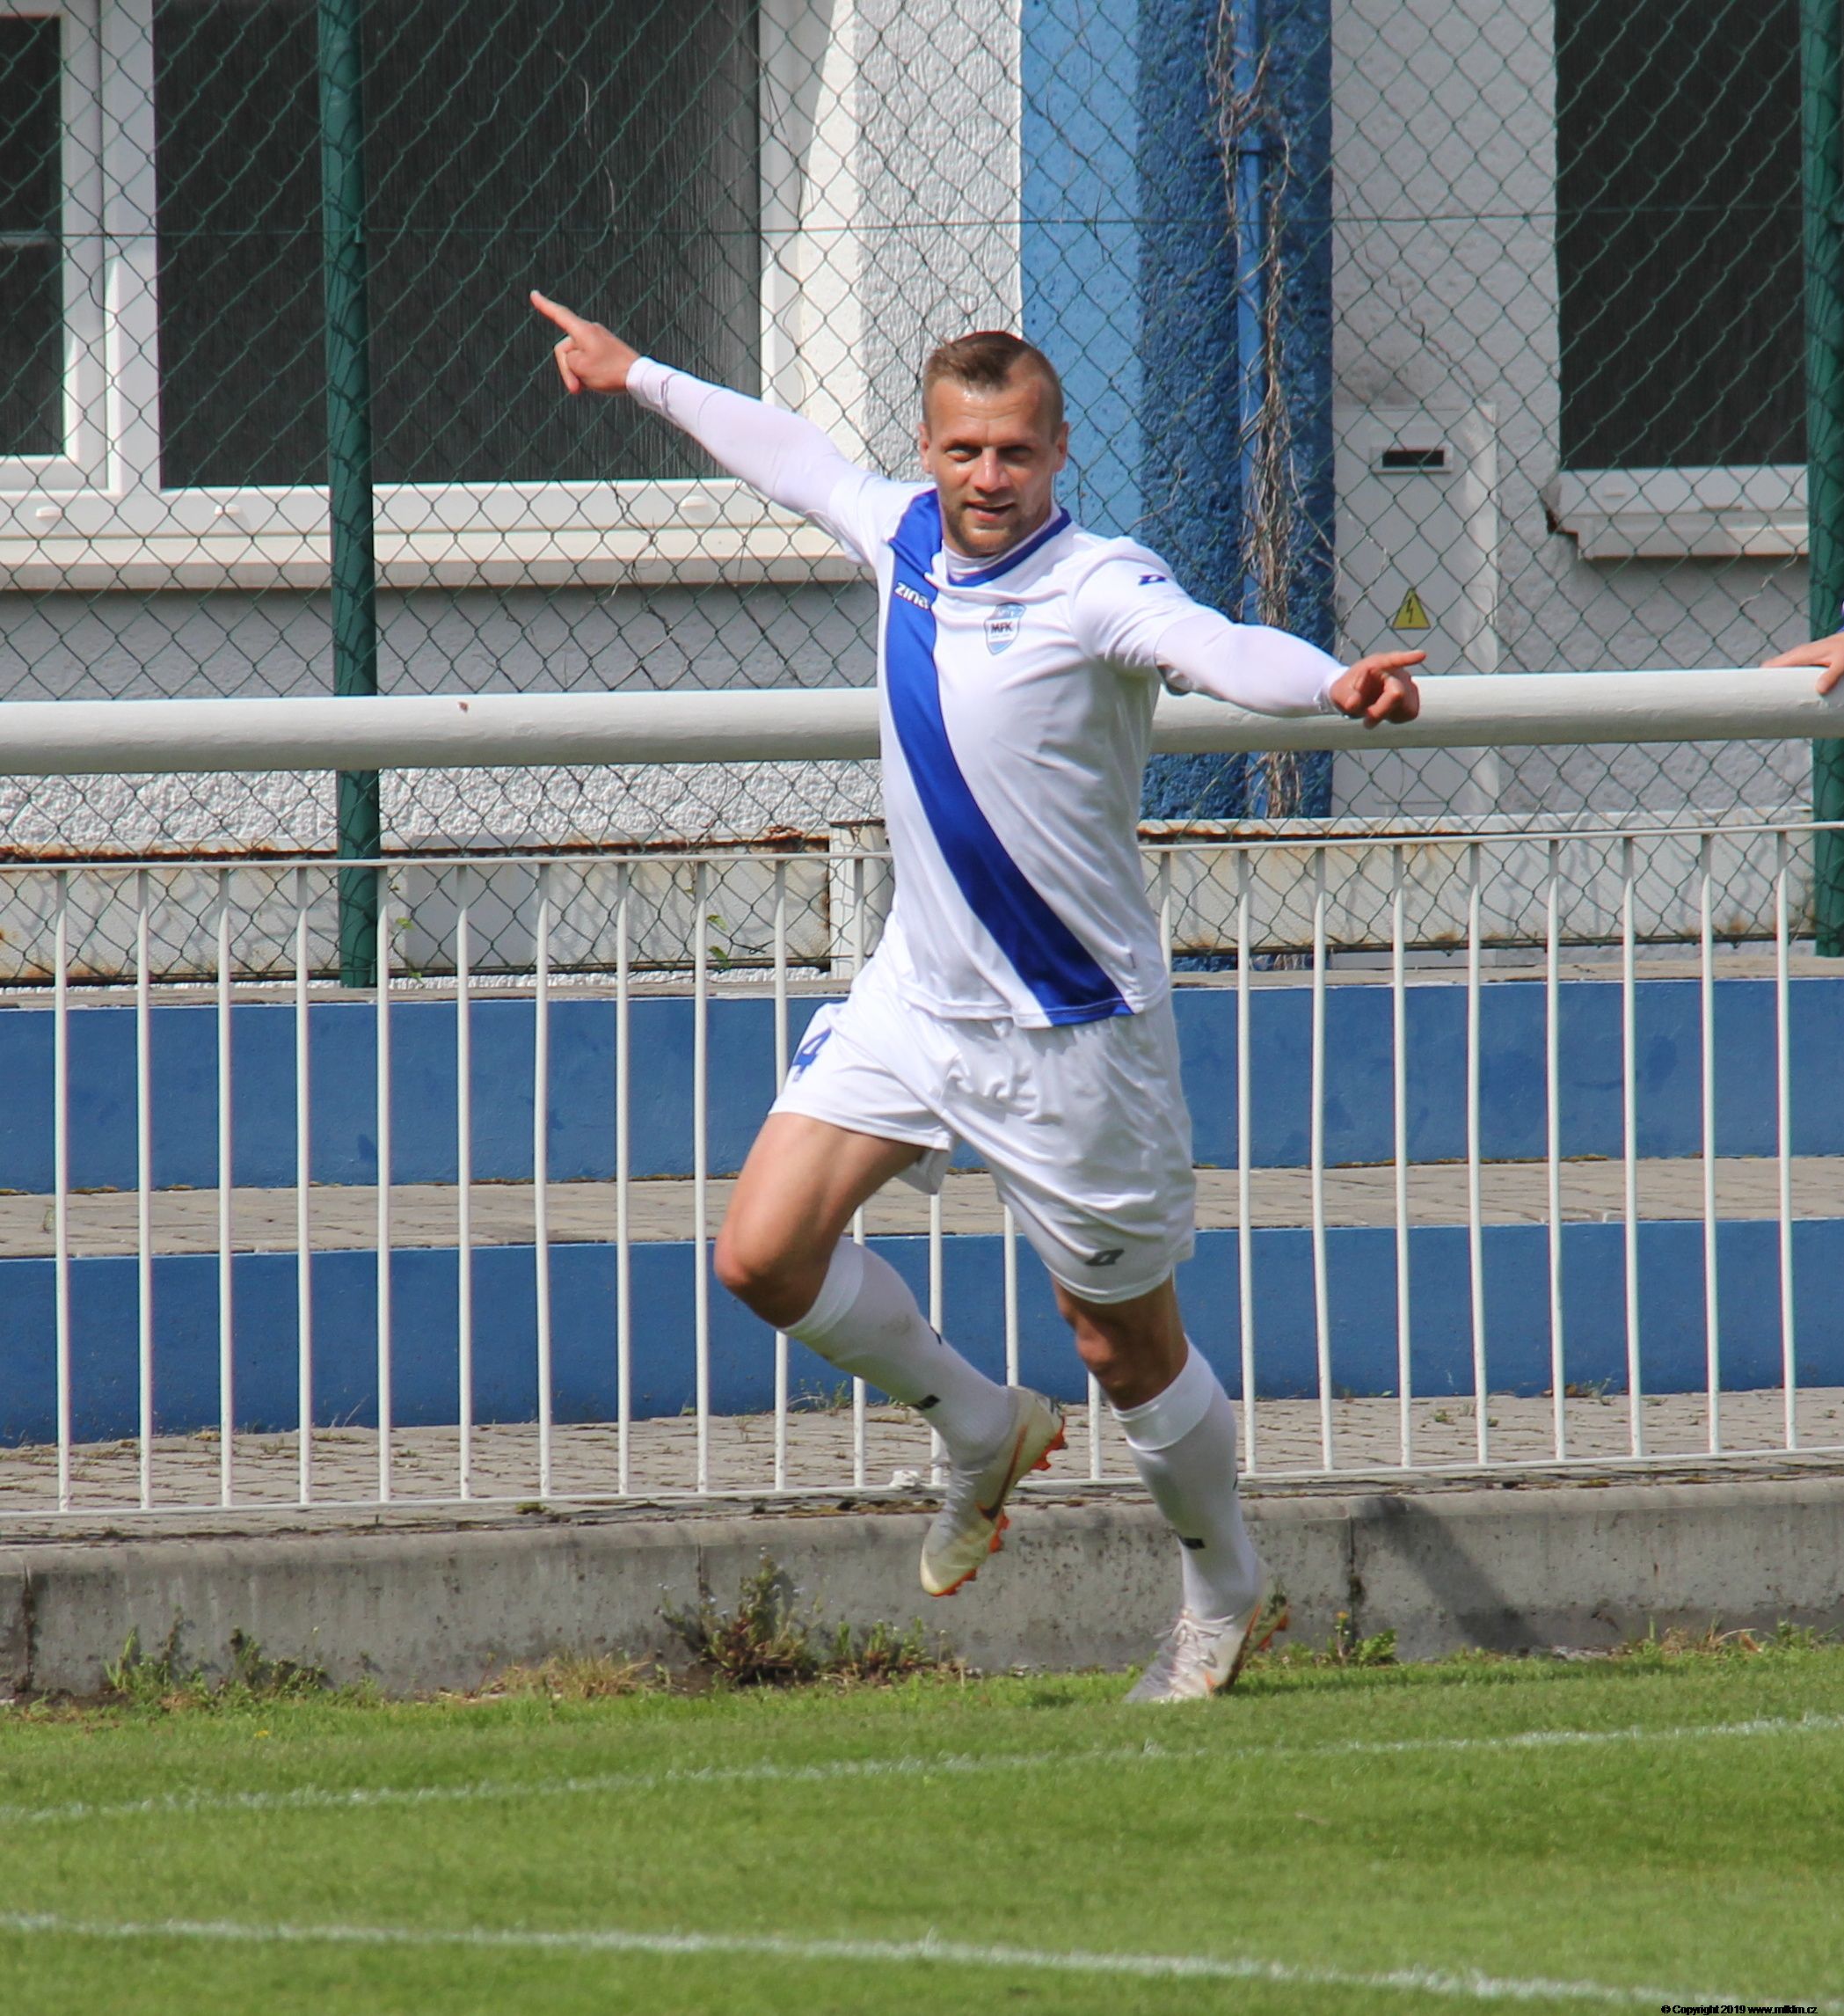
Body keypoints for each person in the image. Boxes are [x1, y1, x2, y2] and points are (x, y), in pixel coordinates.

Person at [531, 290, 1422, 1700]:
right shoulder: (898, 534)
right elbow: (788, 454)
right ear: (929, 451)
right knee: (761, 1256)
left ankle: (1218, 1585)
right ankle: (977, 1424)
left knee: (1121, 1346)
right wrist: (635, 372)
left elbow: (1214, 646)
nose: (987, 477)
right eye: (962, 450)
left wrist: (1330, 684)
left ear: (1058, 451)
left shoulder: (1097, 584)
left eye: (1013, 451)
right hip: (916, 999)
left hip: (1071, 1035)